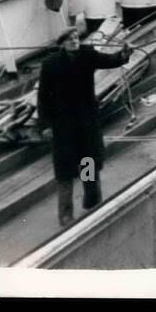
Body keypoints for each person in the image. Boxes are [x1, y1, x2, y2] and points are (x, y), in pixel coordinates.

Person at [36, 25, 130, 228]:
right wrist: (45, 125)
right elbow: (43, 98)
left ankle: (92, 202)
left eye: (77, 37)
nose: (75, 41)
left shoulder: (87, 55)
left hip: (85, 122)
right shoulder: (51, 64)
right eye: (70, 39)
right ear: (62, 44)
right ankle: (66, 215)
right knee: (66, 172)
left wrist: (124, 54)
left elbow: (109, 60)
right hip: (63, 126)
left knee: (88, 163)